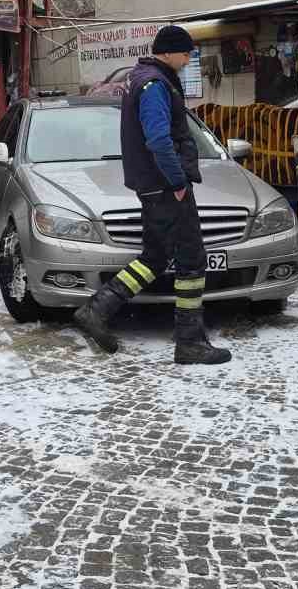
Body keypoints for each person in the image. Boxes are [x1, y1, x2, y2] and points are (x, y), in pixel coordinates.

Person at [73, 25, 232, 366]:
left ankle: (96, 310)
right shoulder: (154, 84)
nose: (189, 60)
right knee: (192, 260)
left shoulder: (142, 78)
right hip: (165, 187)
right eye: (186, 53)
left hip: (152, 186)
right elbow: (159, 139)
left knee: (155, 257)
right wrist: (176, 182)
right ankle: (189, 342)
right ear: (169, 52)